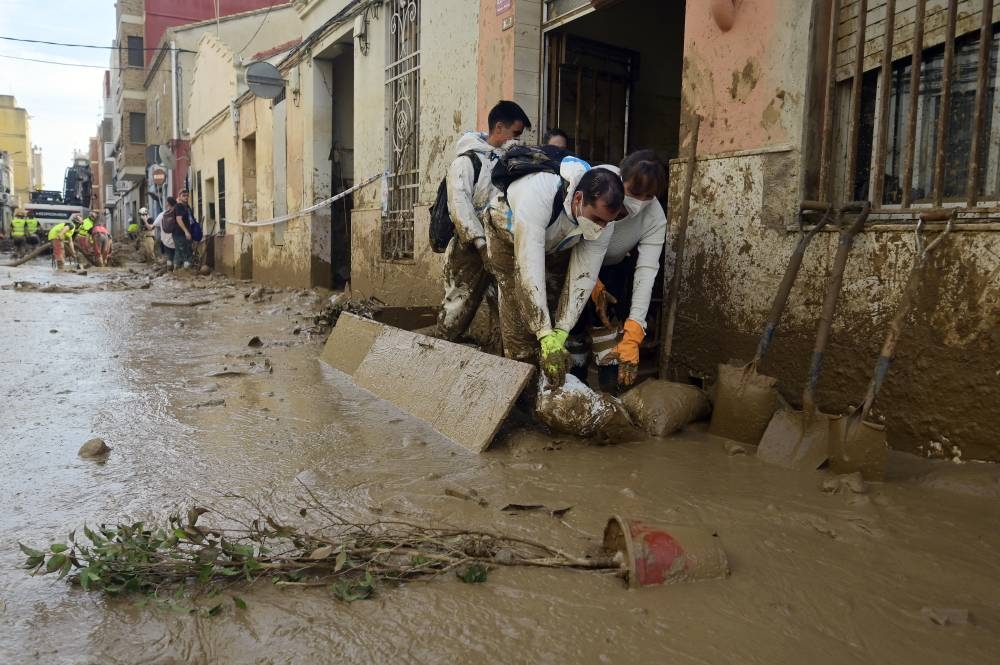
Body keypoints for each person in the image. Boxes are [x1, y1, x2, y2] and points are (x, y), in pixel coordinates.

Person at [484, 157, 624, 387]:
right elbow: (528, 270)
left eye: (607, 223)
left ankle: (545, 386)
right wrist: (543, 333)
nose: (601, 227)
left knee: (552, 302)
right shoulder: (539, 192)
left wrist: (561, 330)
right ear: (578, 198)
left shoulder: (604, 219)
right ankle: (521, 387)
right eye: (597, 219)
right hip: (507, 236)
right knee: (518, 310)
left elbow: (583, 275)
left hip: (556, 241)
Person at [436, 100, 531, 343]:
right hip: (468, 250)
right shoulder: (466, 162)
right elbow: (460, 207)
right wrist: (481, 245)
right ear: (499, 128)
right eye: (515, 134)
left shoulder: (513, 163)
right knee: (458, 307)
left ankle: (498, 361)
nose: (518, 140)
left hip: (502, 246)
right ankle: (440, 354)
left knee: (504, 307)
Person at [578, 151, 669, 390]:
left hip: (613, 269)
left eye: (648, 196)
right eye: (634, 193)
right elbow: (575, 237)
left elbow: (647, 270)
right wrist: (590, 283)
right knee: (573, 331)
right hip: (574, 263)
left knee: (609, 331)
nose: (639, 202)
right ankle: (573, 385)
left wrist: (636, 327)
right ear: (620, 177)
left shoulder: (655, 217)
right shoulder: (599, 183)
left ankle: (611, 394)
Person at [171, 190, 194, 269]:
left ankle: (177, 272)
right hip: (179, 233)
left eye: (187, 195)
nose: (186, 197)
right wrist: (186, 231)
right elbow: (179, 219)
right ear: (179, 197)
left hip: (183, 233)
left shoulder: (187, 207)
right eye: (183, 195)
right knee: (185, 252)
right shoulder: (179, 206)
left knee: (179, 252)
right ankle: (186, 271)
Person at [155, 197, 176, 267]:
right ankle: (177, 271)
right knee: (177, 256)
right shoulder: (178, 213)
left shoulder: (162, 215)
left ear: (168, 204)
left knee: (169, 257)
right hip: (177, 240)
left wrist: (145, 220)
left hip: (166, 241)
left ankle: (169, 271)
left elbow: (153, 226)